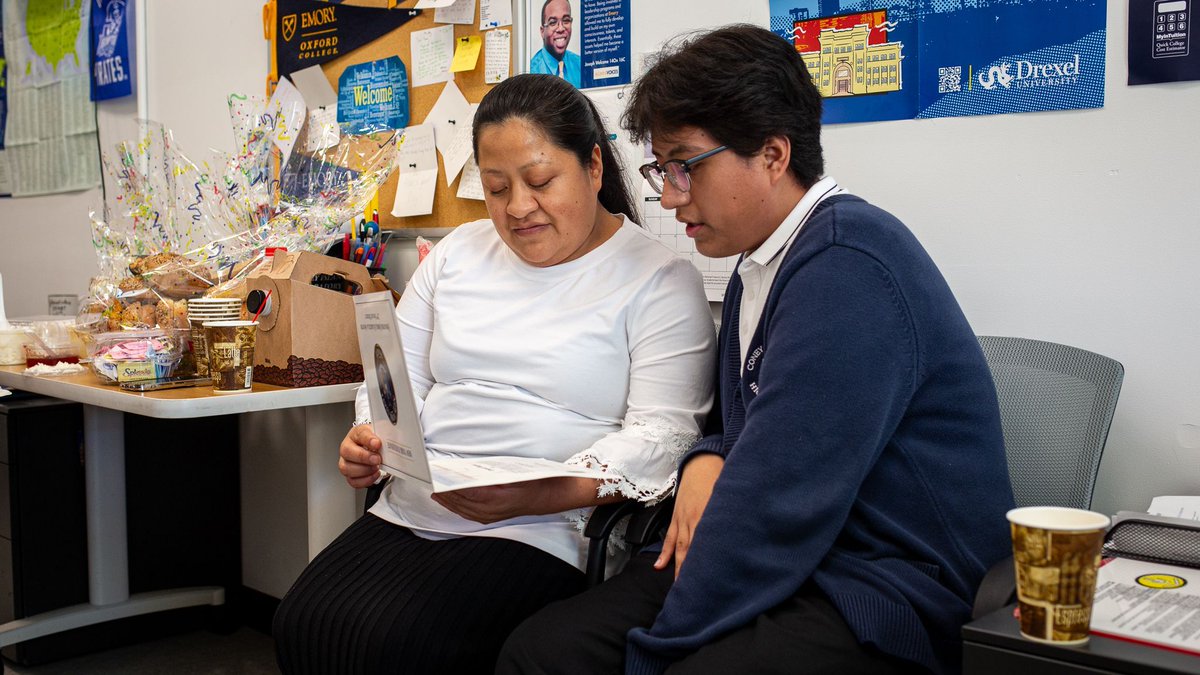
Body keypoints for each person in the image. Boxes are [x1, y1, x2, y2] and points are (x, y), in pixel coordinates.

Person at [498, 24, 1015, 675]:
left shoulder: (846, 264)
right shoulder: (758, 263)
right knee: (543, 650)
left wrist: (656, 652)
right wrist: (707, 457)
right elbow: (747, 420)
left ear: (772, 155)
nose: (669, 195)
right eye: (662, 169)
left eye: (685, 166)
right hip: (806, 558)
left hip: (887, 588)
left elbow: (780, 499)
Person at [271, 74, 716, 675]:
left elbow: (662, 437)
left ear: (592, 166)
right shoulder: (457, 252)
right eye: (496, 186)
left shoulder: (658, 279)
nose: (516, 208)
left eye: (539, 182)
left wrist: (545, 492)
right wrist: (372, 436)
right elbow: (395, 378)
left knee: (405, 647)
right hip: (417, 501)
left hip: (544, 526)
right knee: (304, 622)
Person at [529, 0, 581, 88]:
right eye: (553, 22)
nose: (561, 28)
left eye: (566, 20)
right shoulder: (531, 73)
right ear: (542, 31)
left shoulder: (580, 65)